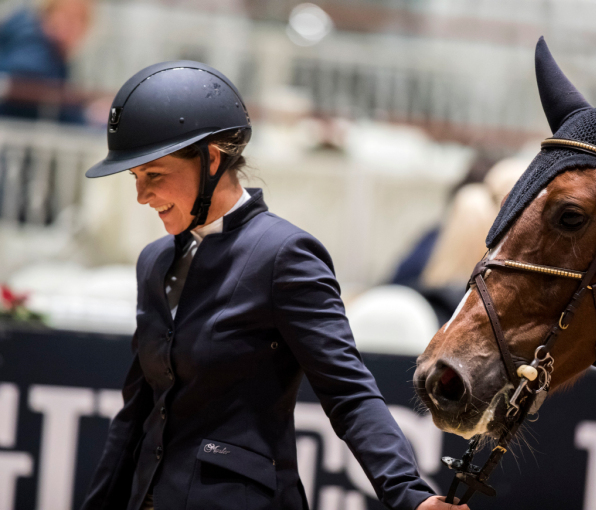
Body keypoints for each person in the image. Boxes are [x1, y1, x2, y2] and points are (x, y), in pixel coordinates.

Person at [79, 61, 469, 510]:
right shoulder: (154, 261)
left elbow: (348, 391)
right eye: (136, 178)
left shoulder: (285, 255)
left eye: (155, 175)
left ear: (210, 158)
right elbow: (137, 411)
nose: (141, 196)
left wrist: (409, 496)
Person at [0, 0, 93, 122]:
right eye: (67, 15)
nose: (73, 25)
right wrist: (85, 117)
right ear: (48, 13)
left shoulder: (54, 56)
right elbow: (31, 81)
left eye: (81, 19)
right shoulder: (32, 47)